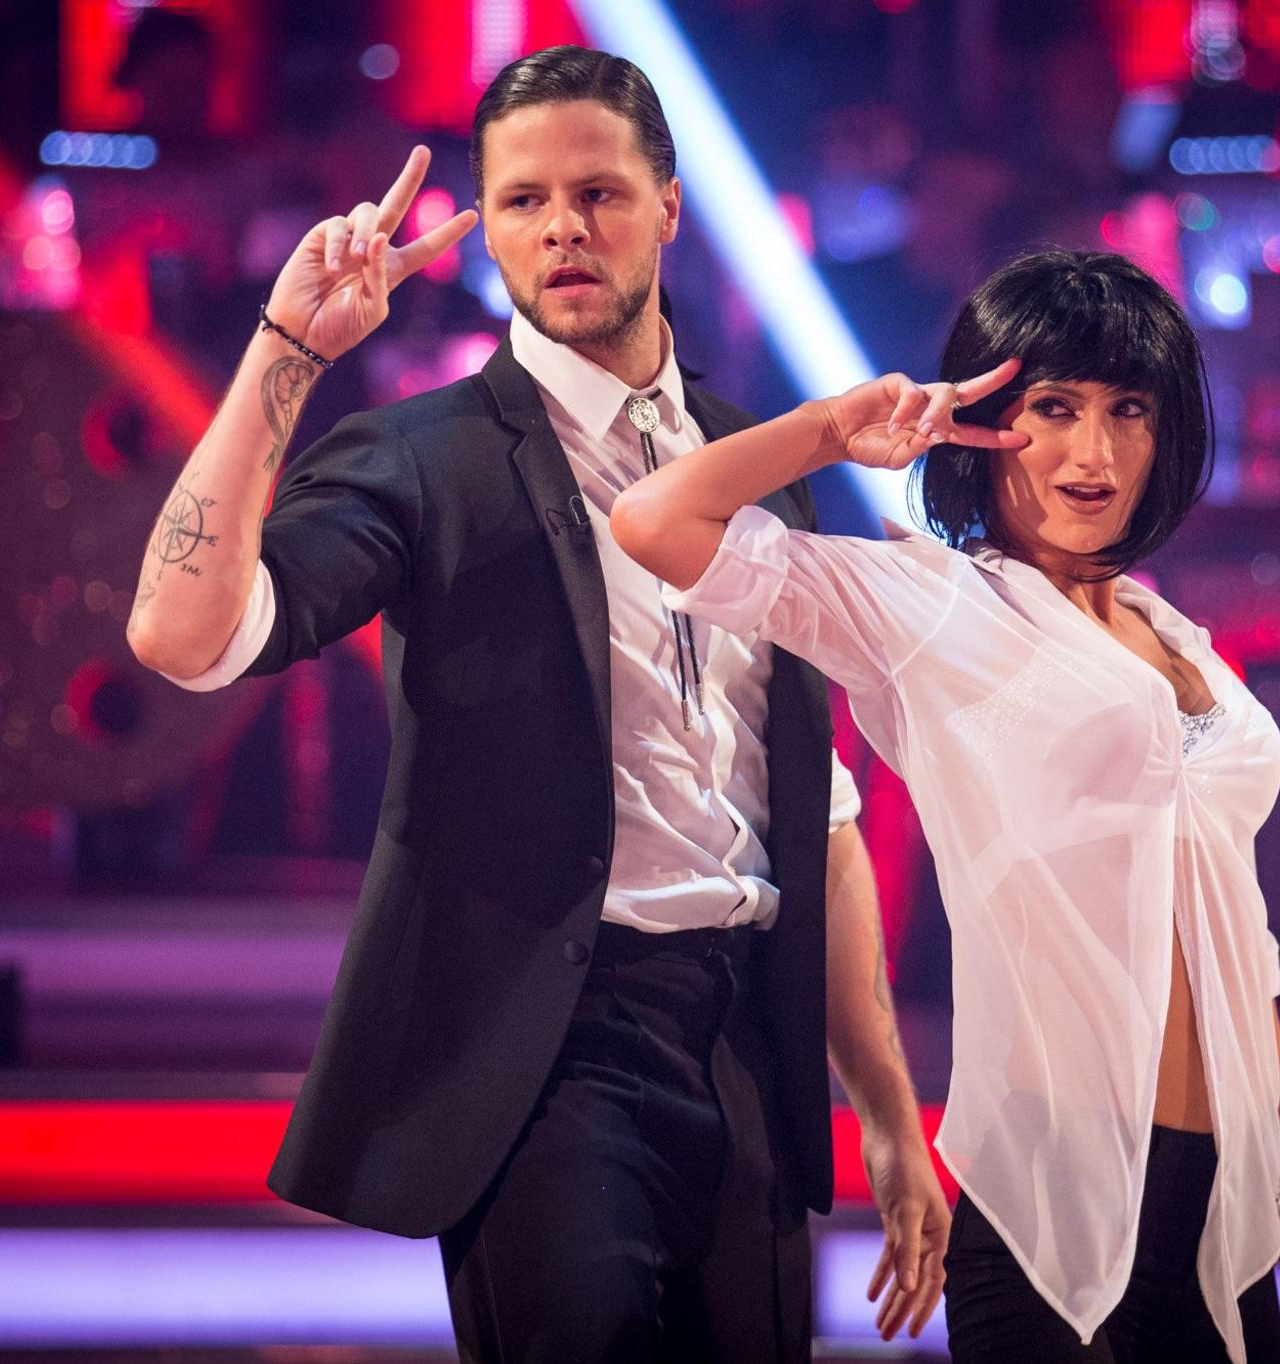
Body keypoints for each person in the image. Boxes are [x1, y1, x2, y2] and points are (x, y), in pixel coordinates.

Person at [125, 45, 948, 1362]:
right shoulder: (418, 458)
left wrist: (896, 1123)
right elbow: (180, 635)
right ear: (490, 229)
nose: (562, 226)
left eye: (600, 192)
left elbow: (823, 822)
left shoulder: (765, 471)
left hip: (746, 1043)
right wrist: (286, 354)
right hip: (549, 1051)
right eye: (522, 201)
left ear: (671, 206)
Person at [612, 250, 1280, 1364]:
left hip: (1226, 1192)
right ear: (987, 419)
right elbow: (653, 521)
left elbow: (1225, 903)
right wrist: (837, 428)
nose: (1091, 451)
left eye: (1126, 410)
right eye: (1053, 407)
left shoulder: (1173, 632)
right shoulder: (933, 606)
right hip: (1057, 1185)